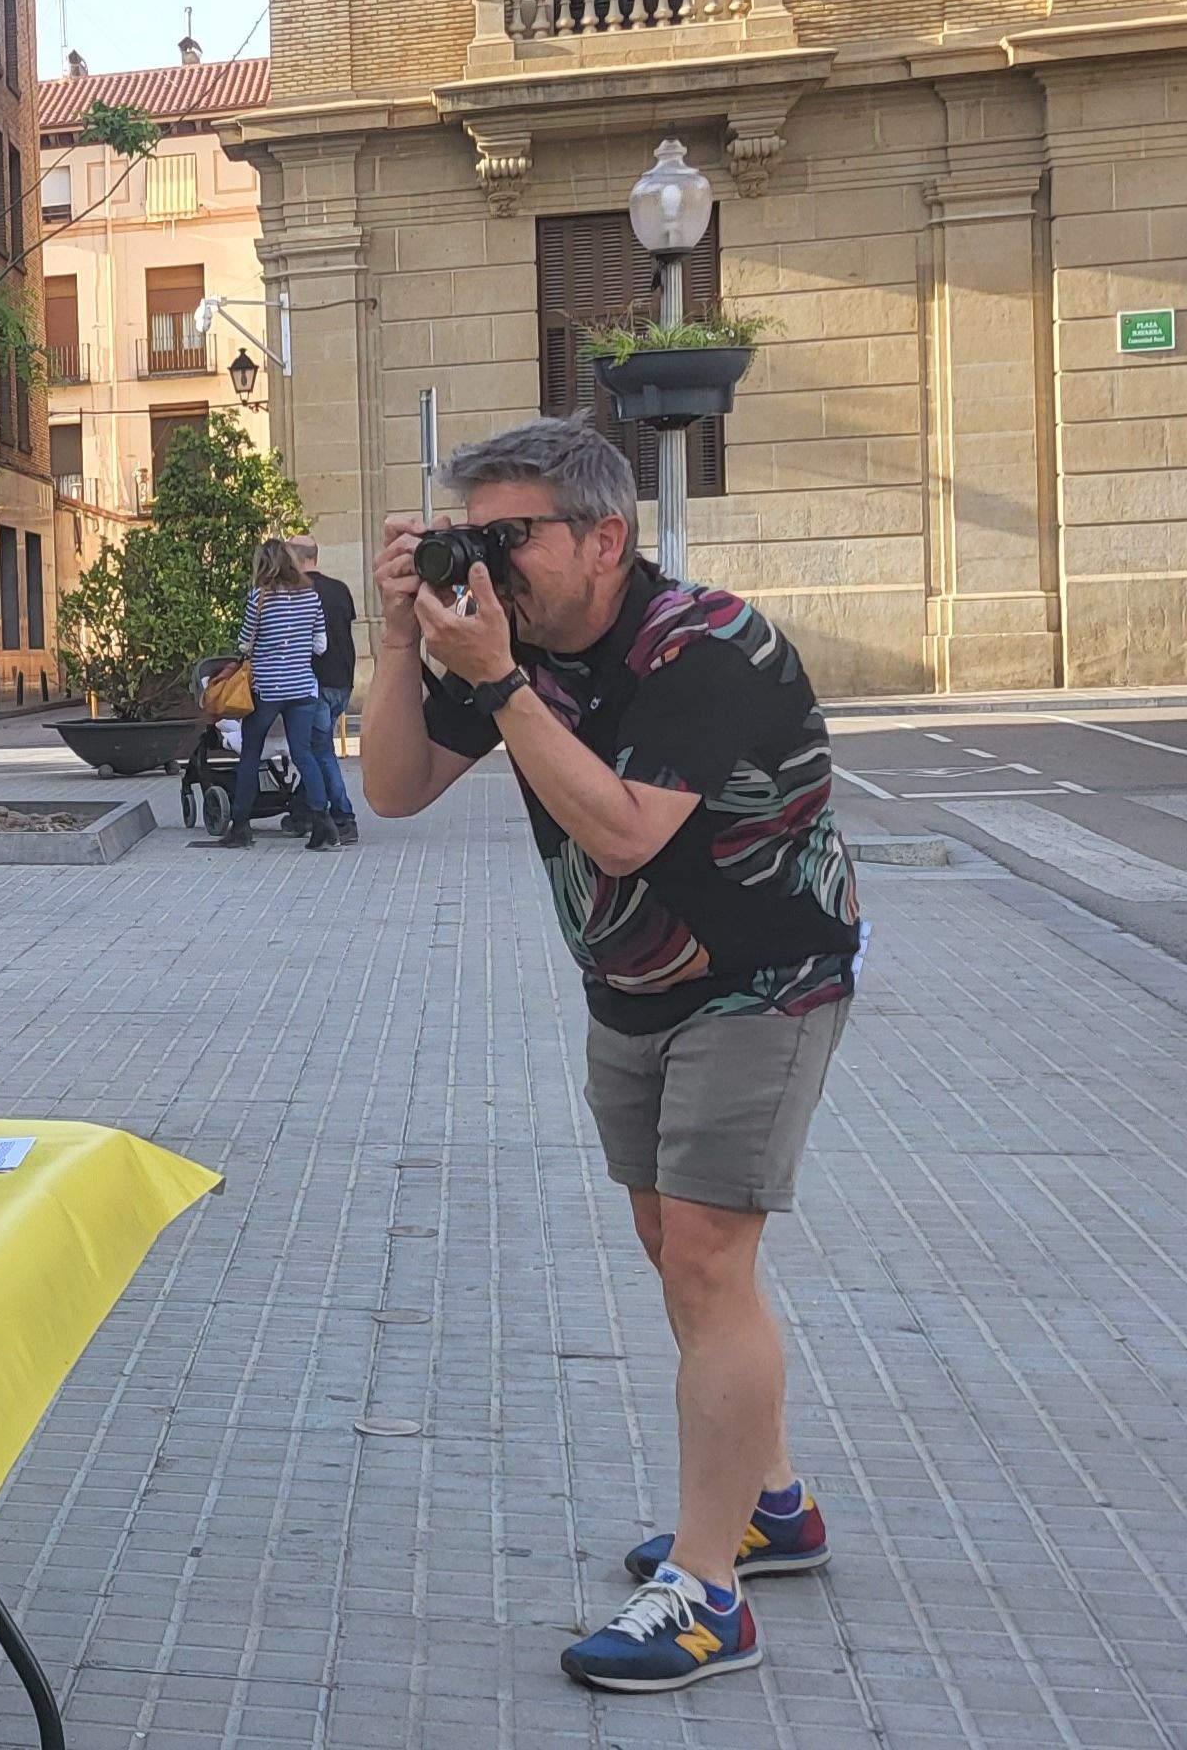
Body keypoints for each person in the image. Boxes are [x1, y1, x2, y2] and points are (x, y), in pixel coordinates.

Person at [361, 418, 861, 1695]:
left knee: (705, 1256)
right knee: (671, 1249)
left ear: (604, 535)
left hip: (762, 976)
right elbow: (396, 791)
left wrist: (502, 684)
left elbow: (630, 833)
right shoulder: (508, 645)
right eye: (471, 534)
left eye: (509, 536)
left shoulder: (706, 643)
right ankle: (774, 1506)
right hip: (632, 982)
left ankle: (708, 1595)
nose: (491, 563)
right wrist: (401, 641)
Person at [195, 539, 350, 853]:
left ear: (263, 566)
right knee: (303, 753)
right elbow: (320, 645)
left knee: (251, 753)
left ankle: (241, 827)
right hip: (304, 688)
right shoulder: (311, 596)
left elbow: (244, 645)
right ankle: (321, 823)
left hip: (268, 689)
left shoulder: (259, 598)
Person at [294, 537, 363, 838]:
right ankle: (304, 809)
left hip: (315, 682)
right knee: (314, 746)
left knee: (319, 750)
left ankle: (343, 816)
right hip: (343, 680)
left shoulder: (296, 593)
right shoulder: (340, 589)